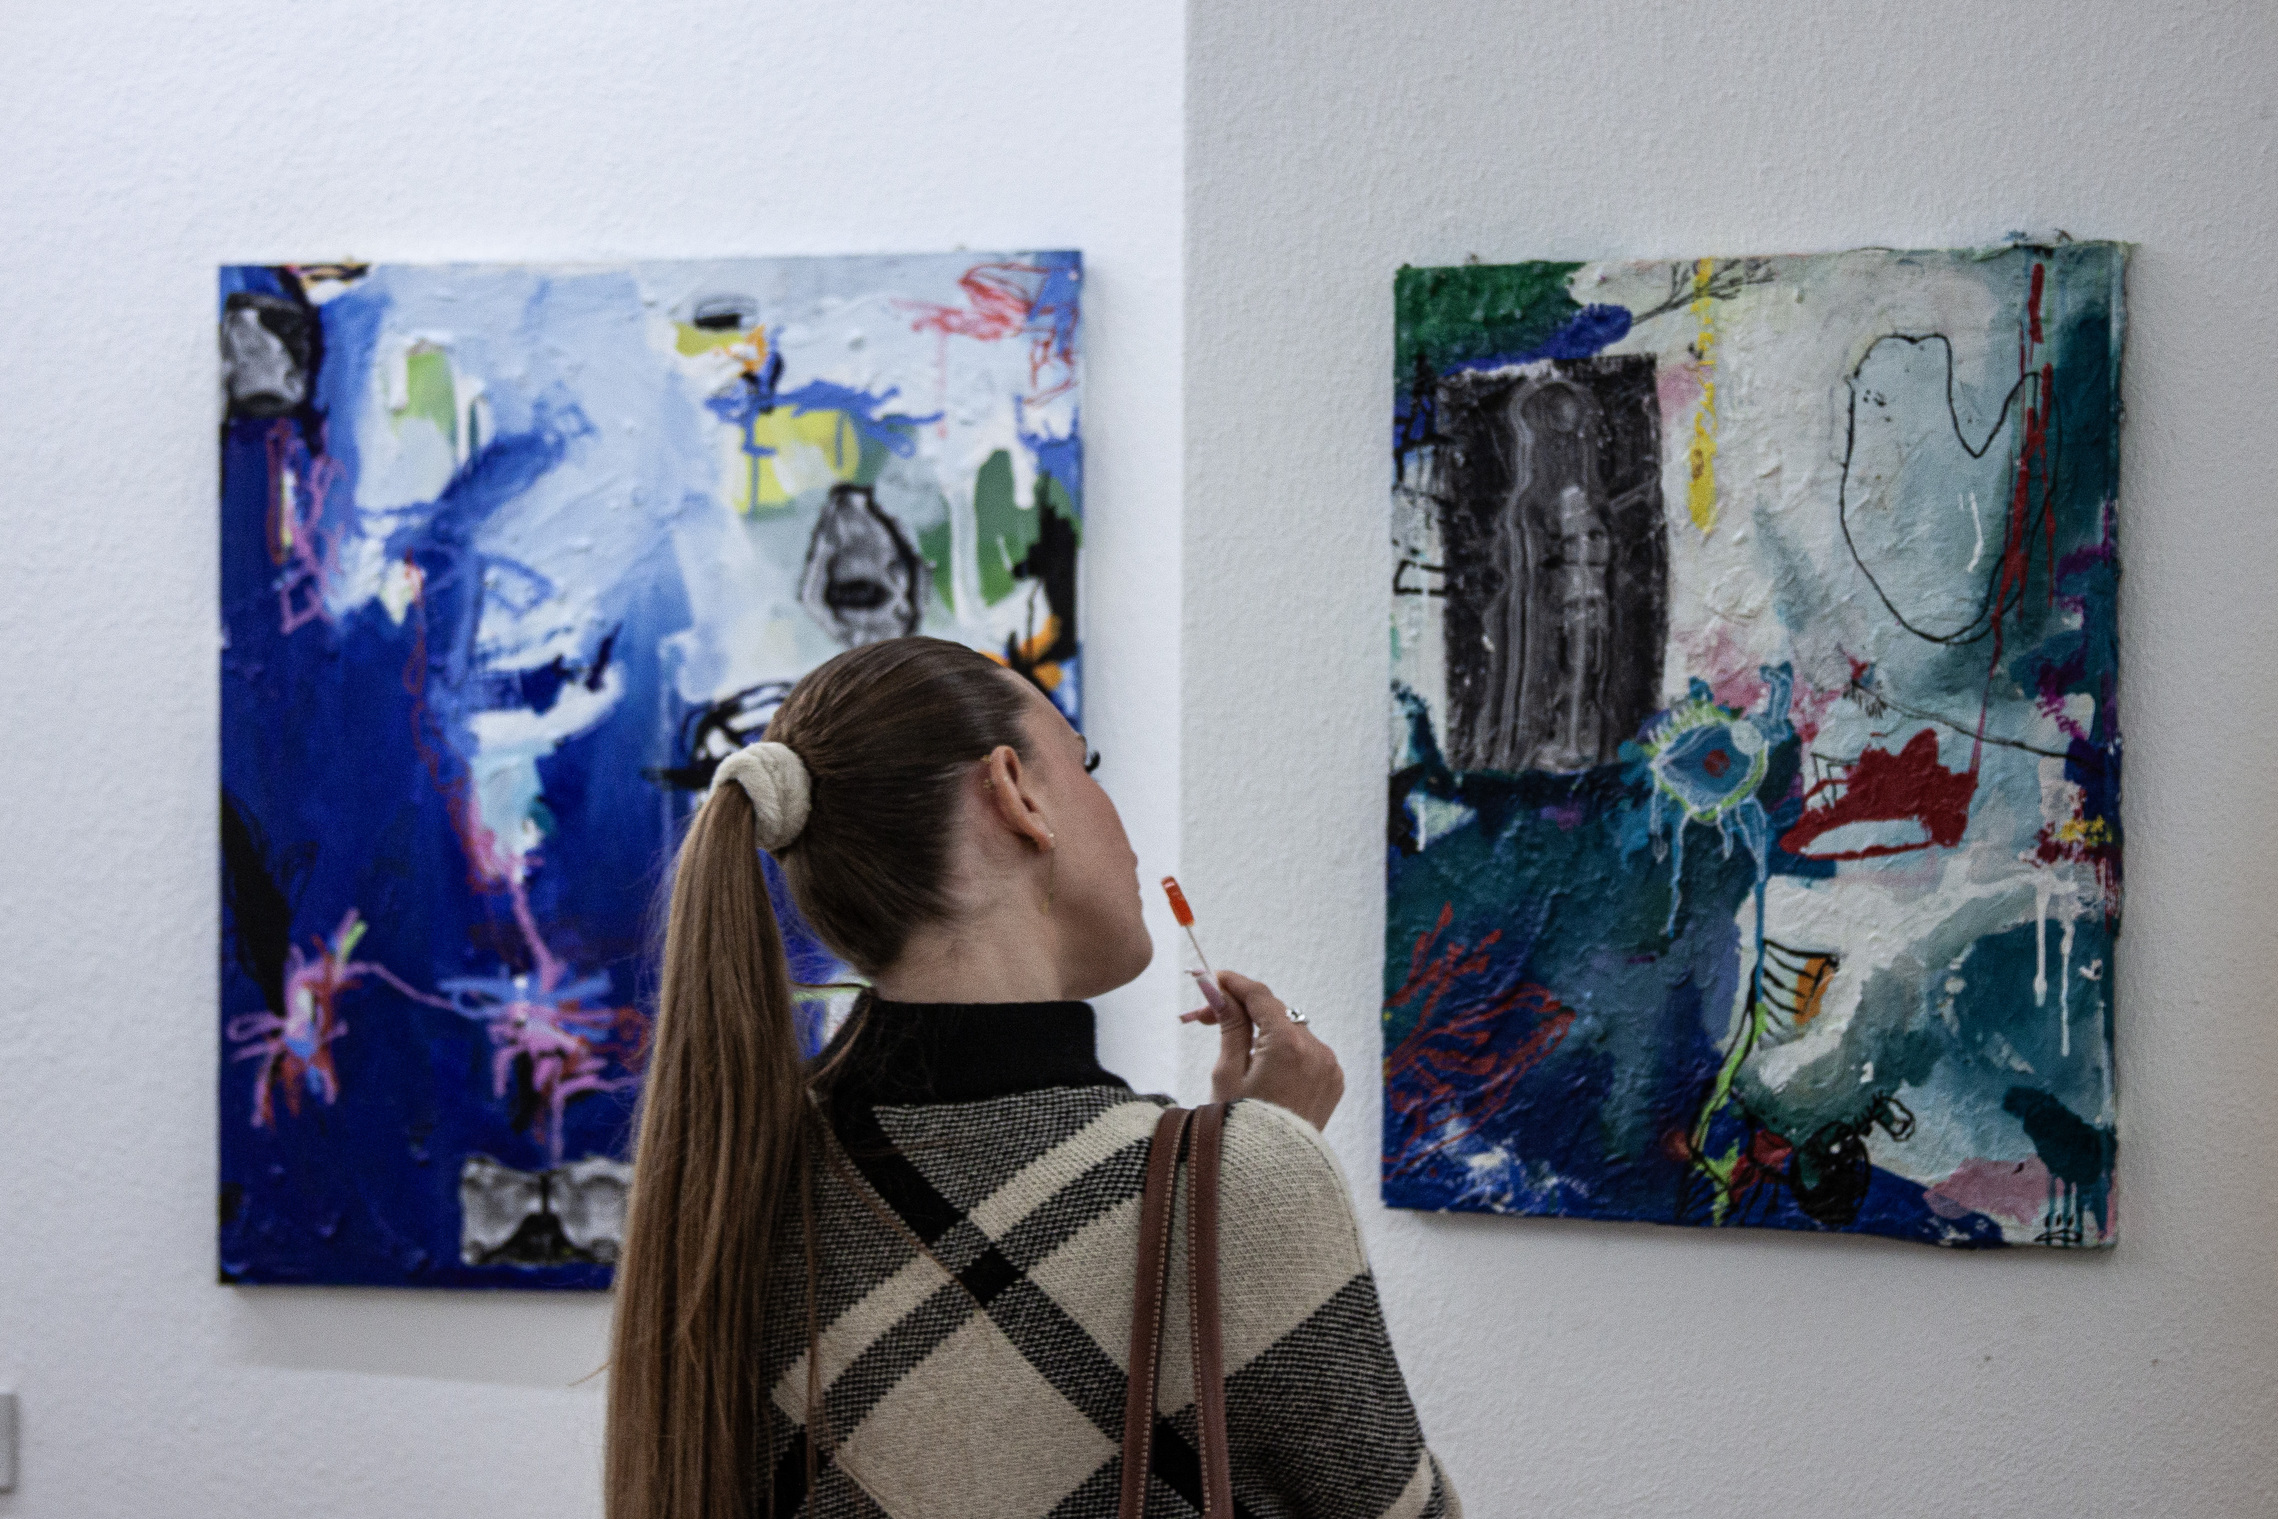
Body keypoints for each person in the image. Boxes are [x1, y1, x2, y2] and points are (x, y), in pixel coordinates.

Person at [605, 637, 1460, 1519]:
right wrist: (1255, 1166)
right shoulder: (1243, 1183)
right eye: (1087, 764)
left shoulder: (730, 1180)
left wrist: (1227, 1172)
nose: (1114, 809)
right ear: (1015, 792)